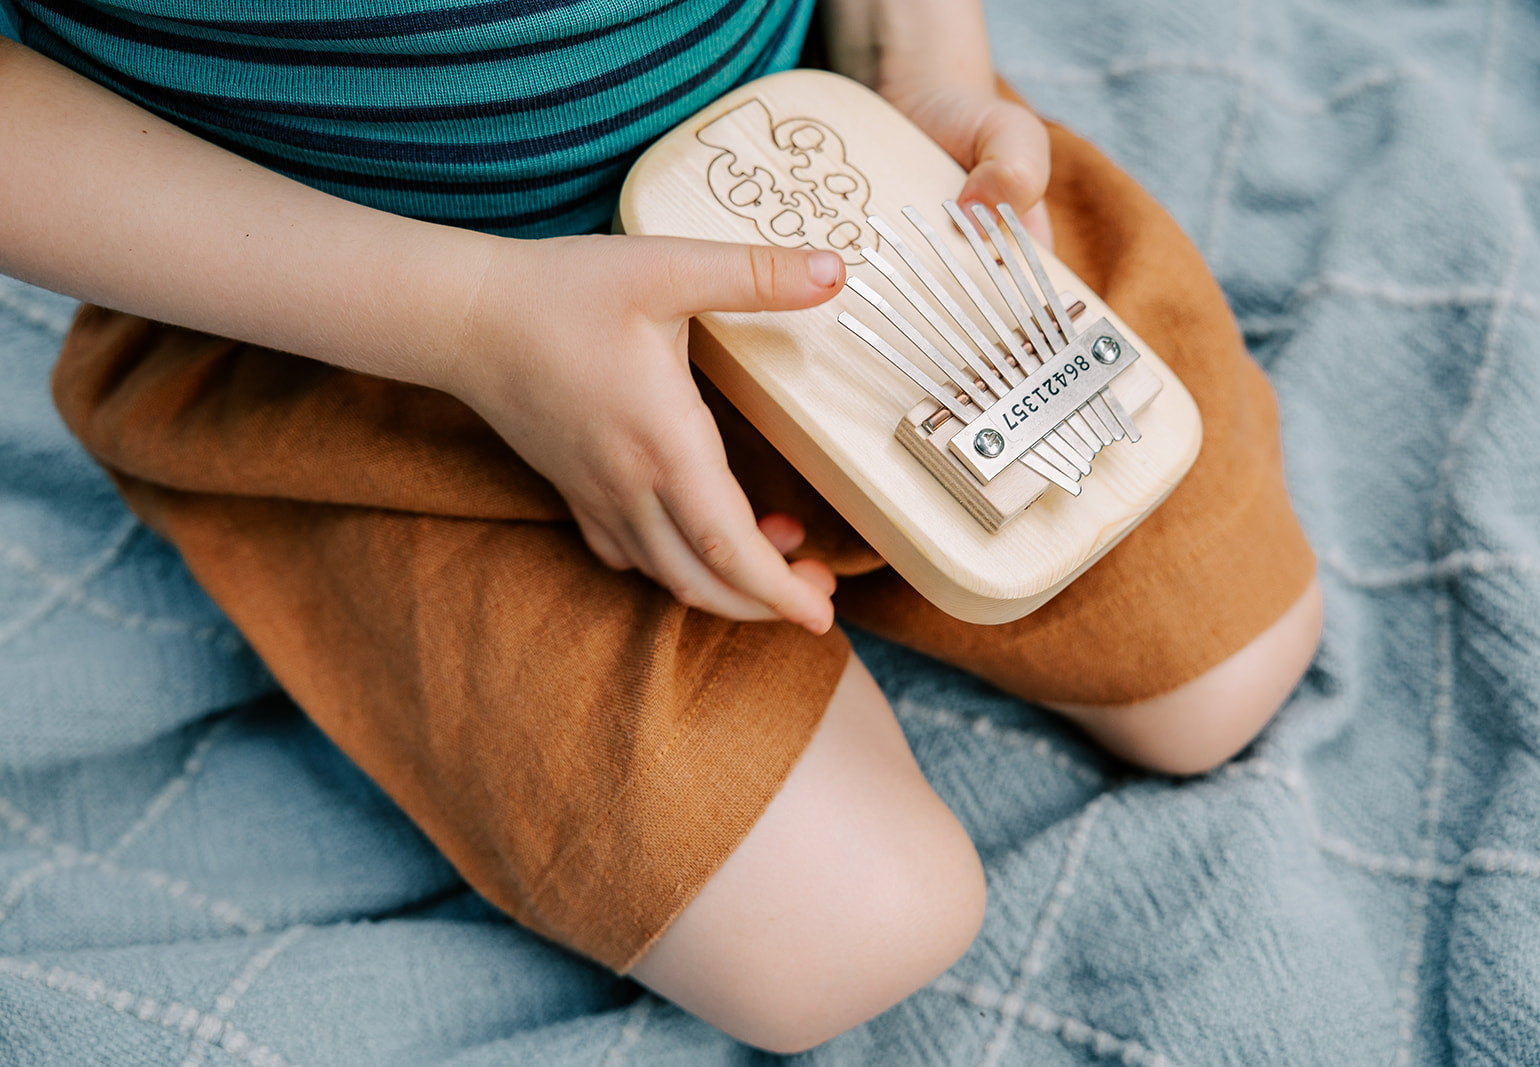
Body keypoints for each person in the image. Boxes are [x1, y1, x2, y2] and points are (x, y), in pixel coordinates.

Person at [0, 0, 1322, 1052]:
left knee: (1224, 670)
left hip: (828, 178)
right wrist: (468, 325)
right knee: (852, 929)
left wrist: (914, 53)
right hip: (347, 315)